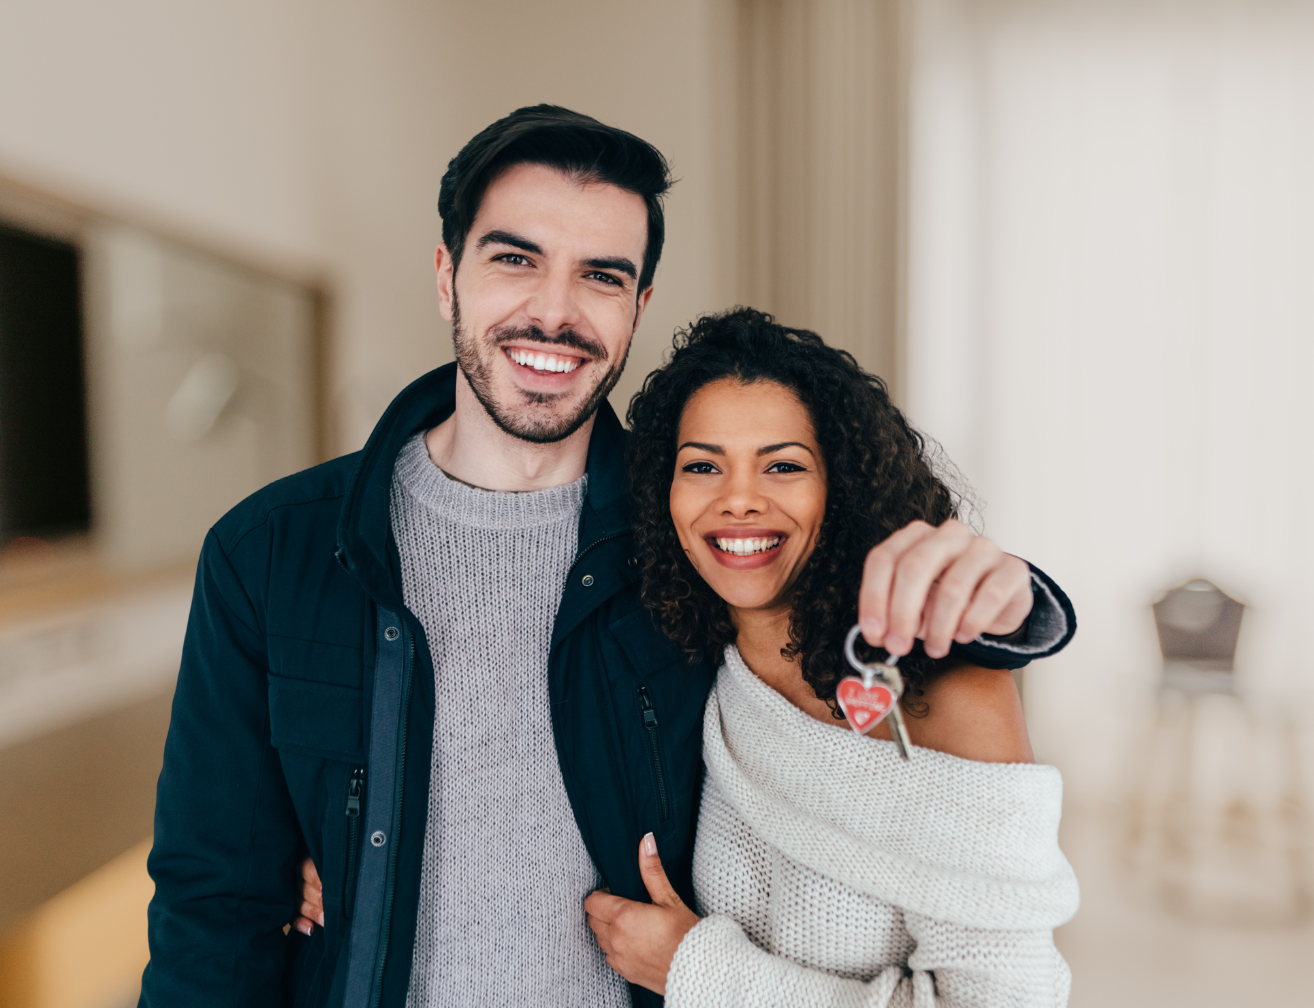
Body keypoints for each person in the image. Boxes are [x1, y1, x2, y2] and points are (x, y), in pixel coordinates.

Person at [141, 106, 1074, 1008]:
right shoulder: (271, 552)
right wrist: (338, 856)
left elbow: (851, 588)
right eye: (515, 260)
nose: (555, 312)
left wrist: (1017, 604)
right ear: (445, 275)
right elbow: (213, 901)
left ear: (636, 307)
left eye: (601, 276)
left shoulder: (685, 536)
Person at [582, 309, 1079, 1006]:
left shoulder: (949, 695)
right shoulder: (699, 669)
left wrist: (697, 972)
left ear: (839, 490)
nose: (739, 500)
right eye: (702, 465)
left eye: (783, 465)